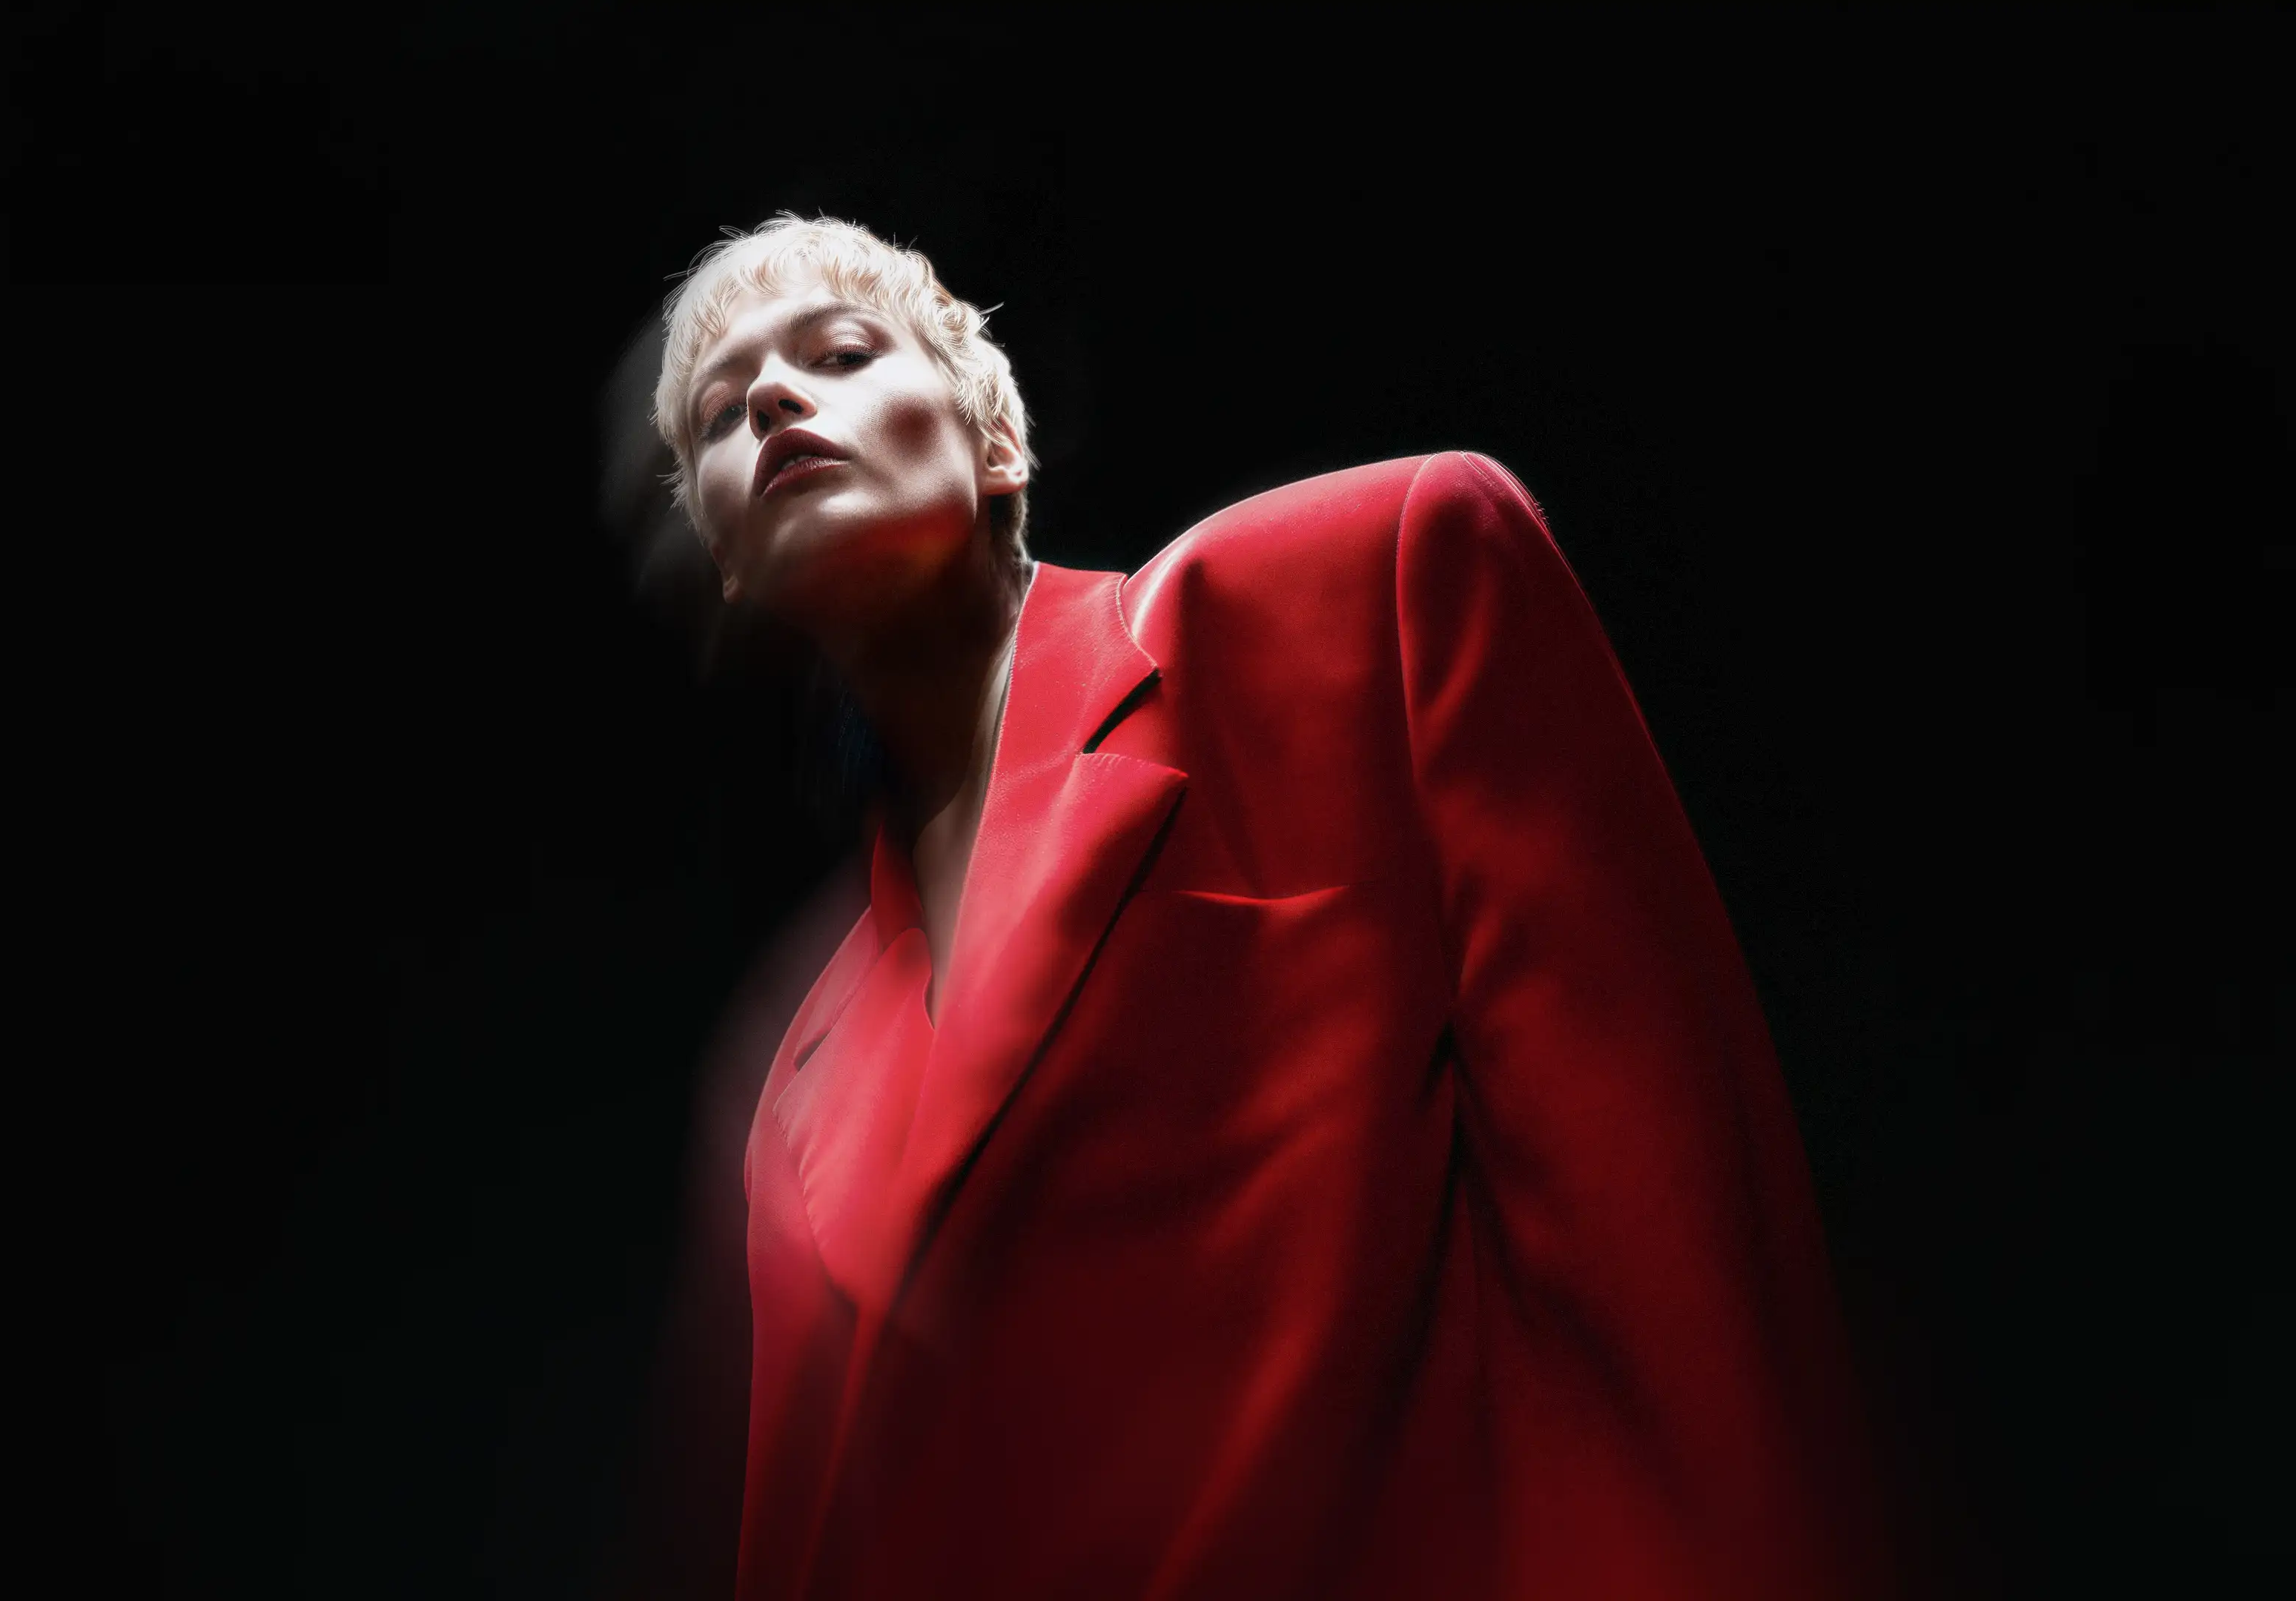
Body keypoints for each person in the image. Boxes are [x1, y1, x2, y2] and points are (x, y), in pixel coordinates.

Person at [648, 213, 1882, 1599]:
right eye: (721, 413)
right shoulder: (793, 1089)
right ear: (729, 558)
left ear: (997, 444)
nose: (771, 399)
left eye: (839, 353)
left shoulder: (1368, 585)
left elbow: (1668, 1277)